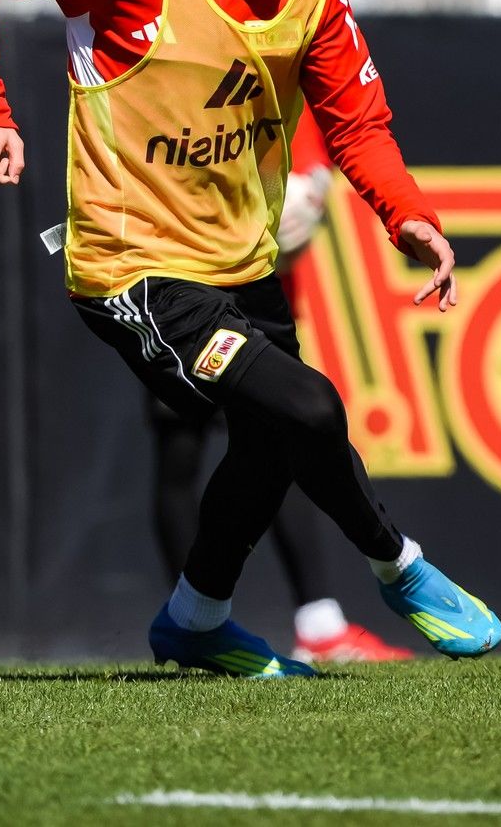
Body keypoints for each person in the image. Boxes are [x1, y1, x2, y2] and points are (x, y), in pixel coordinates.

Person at [0, 0, 501, 677]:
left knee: (273, 439)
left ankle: (196, 618)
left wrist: (409, 216)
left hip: (243, 263)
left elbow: (358, 124)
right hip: (134, 270)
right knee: (311, 406)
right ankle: (398, 565)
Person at [146, 107, 413, 665]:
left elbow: (308, 180)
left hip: (259, 301)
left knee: (280, 440)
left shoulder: (287, 62)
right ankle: (195, 622)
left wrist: (300, 199)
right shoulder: (182, 57)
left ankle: (317, 625)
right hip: (173, 289)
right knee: (181, 449)